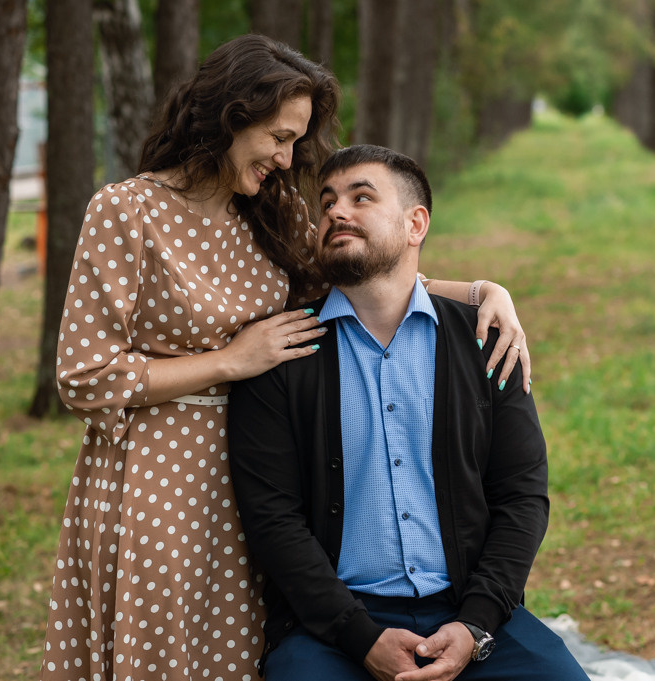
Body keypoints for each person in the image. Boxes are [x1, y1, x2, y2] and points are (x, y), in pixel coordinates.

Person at [41, 35, 531, 681]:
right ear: (228, 115)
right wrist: (230, 361)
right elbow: (84, 375)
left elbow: (362, 276)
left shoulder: (271, 214)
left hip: (266, 471)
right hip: (159, 476)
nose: (287, 156)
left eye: (296, 140)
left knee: (238, 655)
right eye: (278, 136)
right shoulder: (126, 210)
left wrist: (480, 292)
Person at [226, 144, 587, 681]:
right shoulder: (282, 354)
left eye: (361, 197)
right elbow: (272, 519)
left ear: (416, 223)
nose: (336, 212)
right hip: (333, 627)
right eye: (326, 202)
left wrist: (475, 626)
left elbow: (522, 495)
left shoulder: (485, 340)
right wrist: (359, 636)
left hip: (470, 611)